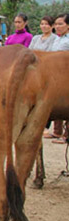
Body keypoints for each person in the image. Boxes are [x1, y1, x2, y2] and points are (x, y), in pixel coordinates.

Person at [49, 14, 69, 144]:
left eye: (60, 24)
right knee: (55, 101)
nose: (57, 27)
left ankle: (67, 135)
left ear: (68, 25)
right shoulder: (56, 39)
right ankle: (57, 131)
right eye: (56, 24)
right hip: (55, 74)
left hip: (66, 74)